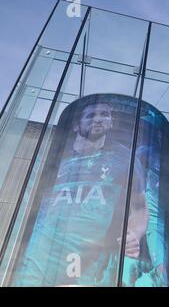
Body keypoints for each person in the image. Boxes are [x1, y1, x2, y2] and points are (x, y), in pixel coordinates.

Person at [13, 100, 148, 286]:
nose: (98, 119)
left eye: (104, 115)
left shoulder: (126, 159)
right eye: (91, 115)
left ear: (110, 122)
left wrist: (134, 233)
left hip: (90, 259)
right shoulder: (55, 158)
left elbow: (140, 206)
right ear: (77, 125)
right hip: (39, 255)